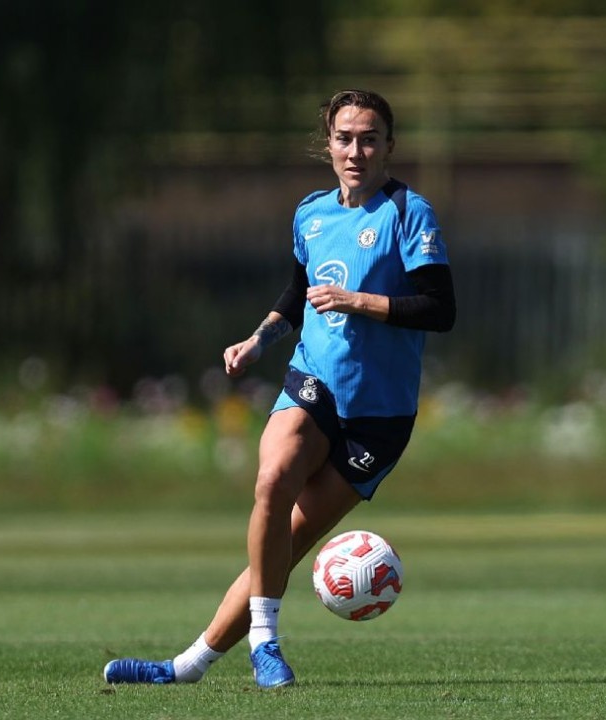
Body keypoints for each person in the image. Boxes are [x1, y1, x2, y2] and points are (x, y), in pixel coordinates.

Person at [102, 89, 456, 689]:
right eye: (344, 139)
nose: (356, 151)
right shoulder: (311, 214)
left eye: (369, 139)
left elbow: (440, 309)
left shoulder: (408, 213)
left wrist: (357, 301)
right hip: (315, 382)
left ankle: (187, 666)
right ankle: (265, 644)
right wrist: (259, 339)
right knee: (272, 480)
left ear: (390, 146)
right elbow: (297, 294)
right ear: (329, 146)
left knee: (285, 544)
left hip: (380, 418)